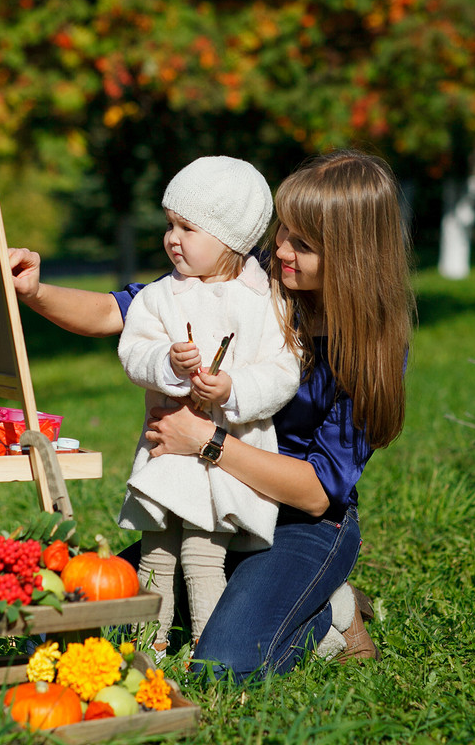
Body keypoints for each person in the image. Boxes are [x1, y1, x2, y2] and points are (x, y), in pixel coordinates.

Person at [8, 148, 414, 679]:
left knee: (223, 665)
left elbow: (318, 491)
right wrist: (34, 291)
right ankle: (260, 596)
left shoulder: (370, 348)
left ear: (352, 256)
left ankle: (331, 614)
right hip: (206, 505)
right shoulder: (251, 274)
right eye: (282, 231)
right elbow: (117, 310)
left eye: (303, 244)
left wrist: (206, 440)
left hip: (302, 523)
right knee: (63, 626)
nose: (281, 251)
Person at [116, 156, 300, 657]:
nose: (172, 237)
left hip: (226, 458)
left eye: (188, 227)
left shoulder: (263, 302)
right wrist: (168, 363)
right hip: (169, 453)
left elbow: (283, 370)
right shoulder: (159, 298)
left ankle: (206, 640)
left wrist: (234, 389)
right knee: (156, 547)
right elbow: (133, 352)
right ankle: (146, 644)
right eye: (169, 224)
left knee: (203, 552)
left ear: (229, 239)